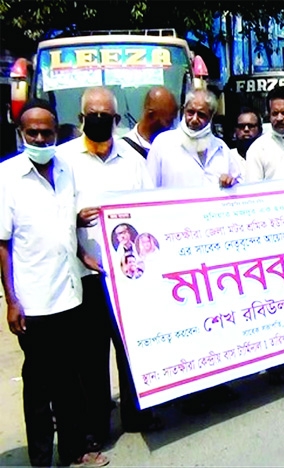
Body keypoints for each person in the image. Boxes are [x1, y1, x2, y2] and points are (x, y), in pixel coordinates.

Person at [0, 99, 109, 468]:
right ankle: (42, 459)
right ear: (21, 133)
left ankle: (75, 452)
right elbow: (2, 244)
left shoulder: (65, 168)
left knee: (70, 381)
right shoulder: (7, 177)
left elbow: (65, 223)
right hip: (34, 300)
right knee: (39, 384)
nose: (41, 138)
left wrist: (82, 253)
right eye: (33, 132)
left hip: (70, 294)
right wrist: (11, 300)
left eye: (47, 132)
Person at [58, 86, 157, 446]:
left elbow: (149, 207)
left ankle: (136, 413)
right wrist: (74, 219)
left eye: (106, 116)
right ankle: (97, 424)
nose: (99, 120)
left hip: (127, 274)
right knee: (90, 355)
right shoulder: (62, 158)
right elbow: (53, 212)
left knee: (131, 347)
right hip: (84, 274)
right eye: (92, 114)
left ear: (116, 120)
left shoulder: (133, 160)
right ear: (82, 117)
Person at [147, 89, 242, 189]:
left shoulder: (220, 148)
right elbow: (149, 187)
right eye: (191, 112)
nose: (194, 119)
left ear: (210, 116)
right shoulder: (163, 143)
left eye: (201, 115)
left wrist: (231, 182)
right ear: (184, 110)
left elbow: (239, 184)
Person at [122, 86, 178, 158]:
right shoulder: (125, 151)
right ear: (150, 116)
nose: (171, 126)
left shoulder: (175, 147)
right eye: (168, 121)